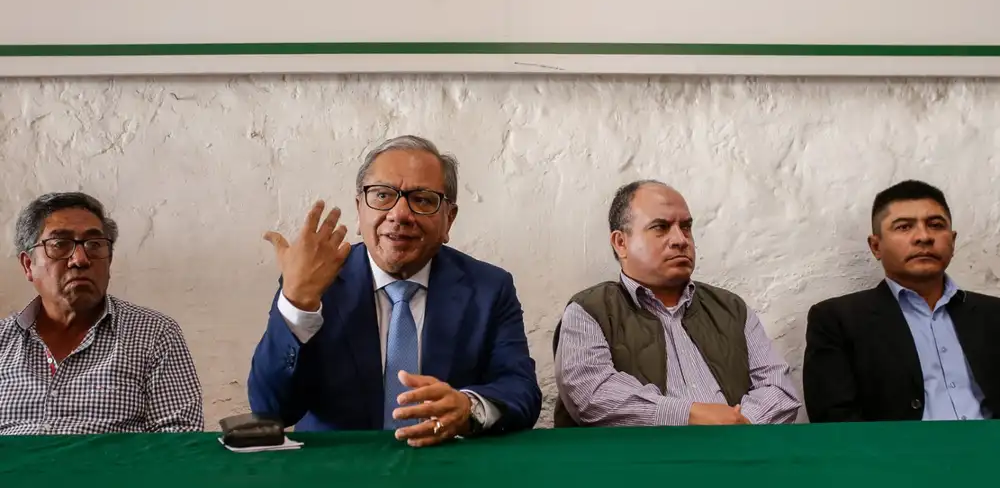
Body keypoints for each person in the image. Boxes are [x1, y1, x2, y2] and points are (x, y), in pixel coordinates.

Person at [247, 135, 541, 447]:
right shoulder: (313, 281)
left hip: (447, 467)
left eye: (423, 200)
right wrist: (297, 304)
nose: (400, 214)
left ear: (448, 220)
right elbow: (270, 410)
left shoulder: (489, 288)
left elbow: (520, 389)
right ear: (359, 209)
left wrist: (468, 409)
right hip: (336, 470)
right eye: (383, 195)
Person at [552, 180, 800, 427]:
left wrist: (739, 423)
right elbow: (591, 395)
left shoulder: (731, 308)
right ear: (621, 243)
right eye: (660, 227)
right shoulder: (590, 311)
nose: (680, 240)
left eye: (686, 227)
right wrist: (689, 416)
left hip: (735, 455)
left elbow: (779, 388)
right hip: (639, 461)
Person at [0, 192, 203, 435]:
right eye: (60, 244)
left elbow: (179, 439)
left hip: (116, 472)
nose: (80, 259)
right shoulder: (4, 341)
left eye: (95, 245)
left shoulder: (154, 334)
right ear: (27, 265)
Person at [803, 179, 999, 422]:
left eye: (936, 225)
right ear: (876, 246)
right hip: (897, 458)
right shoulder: (837, 320)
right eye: (904, 227)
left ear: (953, 240)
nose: (924, 237)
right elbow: (834, 421)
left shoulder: (993, 315)